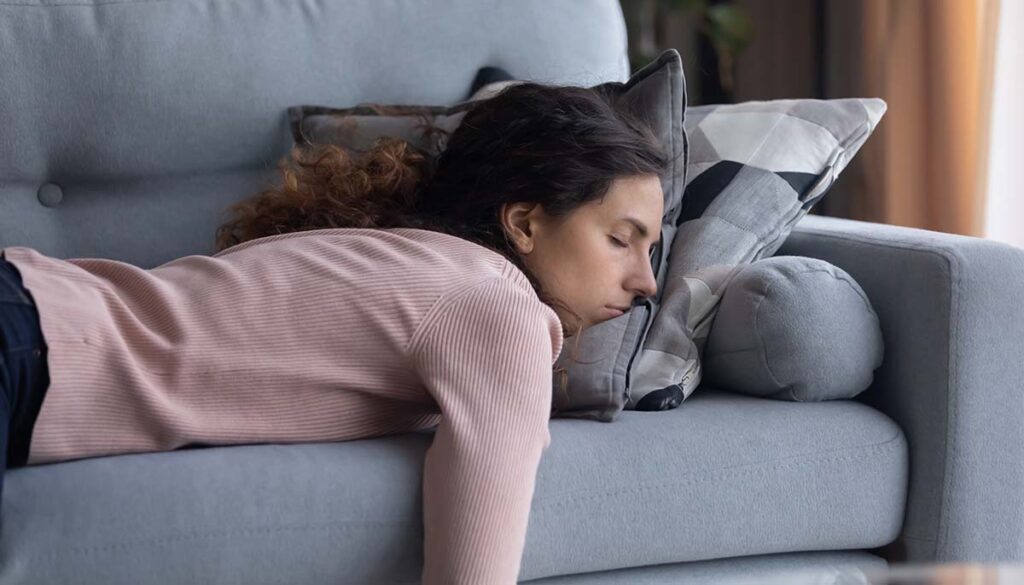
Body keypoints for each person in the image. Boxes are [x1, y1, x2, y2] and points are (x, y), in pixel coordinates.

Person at [0, 81, 669, 584]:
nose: (647, 284)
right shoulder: (500, 309)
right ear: (524, 222)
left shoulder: (403, 256)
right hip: (24, 342)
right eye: (622, 241)